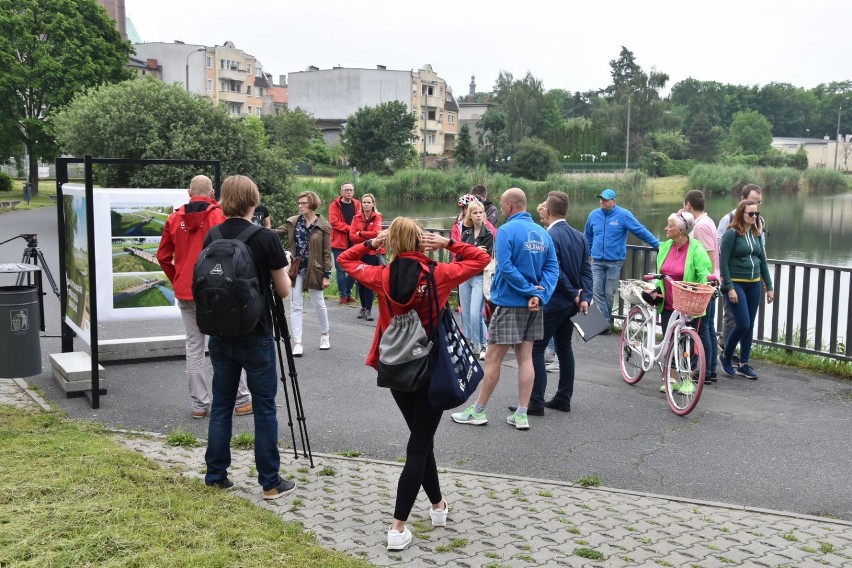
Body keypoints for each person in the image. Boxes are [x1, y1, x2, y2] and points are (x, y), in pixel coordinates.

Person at [337, 217, 489, 552]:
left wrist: (371, 245)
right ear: (422, 242)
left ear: (392, 242)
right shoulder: (439, 274)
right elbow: (481, 259)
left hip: (396, 370)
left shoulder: (381, 276)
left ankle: (437, 506)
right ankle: (398, 527)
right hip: (431, 369)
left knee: (422, 439)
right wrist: (448, 244)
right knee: (419, 445)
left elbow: (344, 260)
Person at [202, 174, 294, 500]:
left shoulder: (212, 235)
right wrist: (286, 268)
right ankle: (270, 482)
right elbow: (283, 290)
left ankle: (215, 475)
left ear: (224, 200)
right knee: (265, 407)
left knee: (222, 405)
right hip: (257, 334)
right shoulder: (265, 238)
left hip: (220, 334)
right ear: (254, 201)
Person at [452, 188, 559, 431]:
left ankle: (477, 411)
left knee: (492, 359)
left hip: (510, 303)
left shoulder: (506, 231)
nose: (500, 209)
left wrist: (528, 291)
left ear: (510, 206)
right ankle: (522, 414)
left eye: (502, 205)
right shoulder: (543, 233)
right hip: (534, 306)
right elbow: (553, 269)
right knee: (526, 358)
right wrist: (539, 294)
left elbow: (506, 267)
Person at [157, 175, 252, 419]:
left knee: (194, 346)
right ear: (212, 193)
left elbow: (163, 256)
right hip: (216, 290)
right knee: (229, 341)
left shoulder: (174, 218)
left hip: (186, 292)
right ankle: (241, 399)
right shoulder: (218, 215)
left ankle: (199, 404)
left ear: (189, 192)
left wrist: (177, 278)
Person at [526, 191, 593, 415]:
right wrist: (584, 297)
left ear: (549, 210)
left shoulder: (548, 236)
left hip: (553, 302)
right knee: (565, 348)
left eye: (544, 206)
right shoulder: (580, 236)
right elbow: (586, 270)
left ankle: (535, 401)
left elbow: (555, 272)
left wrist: (575, 293)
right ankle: (564, 397)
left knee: (536, 349)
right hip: (571, 305)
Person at [584, 188, 660, 332]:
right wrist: (587, 253)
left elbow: (640, 230)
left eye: (605, 200)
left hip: (614, 261)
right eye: (601, 199)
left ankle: (603, 325)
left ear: (614, 201)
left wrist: (657, 245)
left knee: (608, 293)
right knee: (596, 291)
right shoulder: (593, 215)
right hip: (596, 261)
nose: (602, 202)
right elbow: (587, 236)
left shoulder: (623, 215)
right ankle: (605, 323)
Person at [652, 211, 712, 392]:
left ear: (680, 230)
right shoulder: (665, 247)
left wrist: (705, 287)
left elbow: (704, 273)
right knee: (670, 341)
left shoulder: (696, 249)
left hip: (688, 303)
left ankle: (688, 380)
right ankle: (672, 378)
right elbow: (660, 273)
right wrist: (657, 288)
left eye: (669, 226)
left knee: (688, 342)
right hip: (668, 302)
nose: (666, 229)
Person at [719, 200, 775, 380]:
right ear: (741, 214)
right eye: (750, 213)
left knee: (750, 324)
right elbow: (723, 262)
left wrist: (769, 286)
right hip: (737, 284)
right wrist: (729, 287)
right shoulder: (732, 234)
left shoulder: (756, 233)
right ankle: (726, 356)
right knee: (742, 323)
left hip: (754, 284)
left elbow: (763, 261)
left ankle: (744, 363)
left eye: (756, 213)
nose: (754, 217)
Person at [275, 191, 333, 356]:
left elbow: (327, 253)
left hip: (315, 269)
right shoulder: (293, 222)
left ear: (312, 204)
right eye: (299, 203)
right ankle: (298, 342)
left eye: (303, 203)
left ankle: (324, 335)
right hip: (296, 269)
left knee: (318, 303)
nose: (300, 206)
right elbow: (274, 233)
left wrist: (327, 274)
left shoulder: (323, 225)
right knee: (295, 305)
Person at [717, 184, 767, 356]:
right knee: (732, 317)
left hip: (752, 278)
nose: (756, 208)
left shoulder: (758, 221)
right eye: (753, 202)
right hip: (733, 278)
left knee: (747, 320)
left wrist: (765, 279)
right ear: (742, 200)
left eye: (759, 204)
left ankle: (739, 357)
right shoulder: (728, 220)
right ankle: (726, 351)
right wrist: (725, 279)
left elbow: (761, 253)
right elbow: (719, 250)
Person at [682, 190, 720, 383]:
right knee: (707, 327)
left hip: (706, 285)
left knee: (703, 328)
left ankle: (706, 370)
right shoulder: (706, 222)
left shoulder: (702, 225)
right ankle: (710, 369)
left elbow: (710, 256)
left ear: (689, 205)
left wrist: (707, 283)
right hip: (709, 283)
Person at [457, 199, 494, 357]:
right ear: (470, 216)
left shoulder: (488, 234)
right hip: (465, 277)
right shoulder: (466, 233)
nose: (478, 215)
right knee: (465, 313)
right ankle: (475, 344)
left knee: (475, 313)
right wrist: (474, 250)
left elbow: (485, 259)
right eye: (475, 213)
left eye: (480, 212)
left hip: (479, 277)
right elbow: (459, 256)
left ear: (484, 215)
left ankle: (484, 343)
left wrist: (469, 251)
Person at [349, 193, 383, 321]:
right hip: (359, 253)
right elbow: (352, 236)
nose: (366, 204)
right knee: (361, 281)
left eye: (369, 202)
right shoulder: (356, 218)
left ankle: (369, 309)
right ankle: (363, 307)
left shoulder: (377, 217)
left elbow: (377, 234)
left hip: (372, 254)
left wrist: (361, 233)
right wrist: (367, 236)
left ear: (373, 204)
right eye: (364, 202)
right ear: (361, 204)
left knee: (369, 282)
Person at [329, 182, 361, 304]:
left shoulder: (358, 204)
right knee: (340, 269)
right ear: (341, 191)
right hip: (339, 242)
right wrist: (351, 229)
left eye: (351, 190)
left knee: (355, 269)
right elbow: (334, 222)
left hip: (354, 242)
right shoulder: (334, 205)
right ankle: (344, 296)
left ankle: (346, 293)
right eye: (346, 190)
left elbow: (362, 219)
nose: (349, 192)